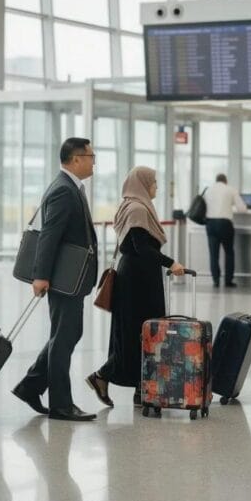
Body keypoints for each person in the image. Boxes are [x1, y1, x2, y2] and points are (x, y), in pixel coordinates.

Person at [12, 138, 99, 422]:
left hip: (70, 277)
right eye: (91, 156)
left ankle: (30, 386)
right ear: (76, 159)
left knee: (68, 334)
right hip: (63, 278)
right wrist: (40, 275)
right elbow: (49, 235)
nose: (94, 161)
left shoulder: (70, 186)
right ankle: (61, 404)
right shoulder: (63, 189)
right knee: (64, 337)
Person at [85, 167, 186, 408]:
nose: (156, 186)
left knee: (142, 333)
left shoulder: (131, 206)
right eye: (153, 182)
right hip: (137, 281)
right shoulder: (138, 209)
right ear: (142, 183)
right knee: (138, 334)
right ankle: (103, 375)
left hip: (138, 277)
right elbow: (142, 248)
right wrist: (171, 263)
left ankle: (142, 390)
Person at [203, 173, 247, 288]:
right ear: (225, 181)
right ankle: (228, 281)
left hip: (210, 223)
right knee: (229, 253)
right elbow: (242, 209)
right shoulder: (230, 189)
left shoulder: (208, 190)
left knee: (213, 254)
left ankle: (216, 280)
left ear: (216, 180)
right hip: (225, 224)